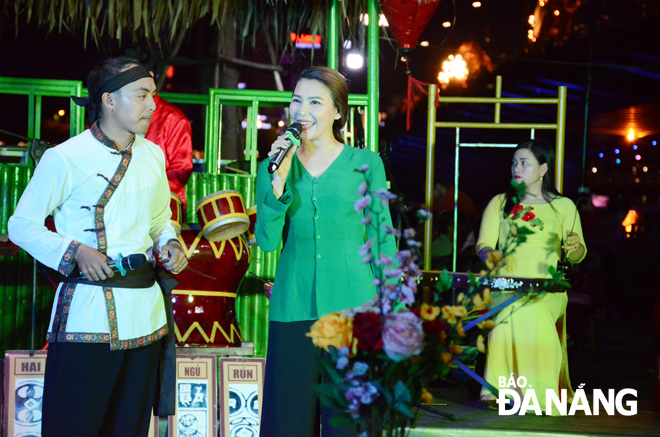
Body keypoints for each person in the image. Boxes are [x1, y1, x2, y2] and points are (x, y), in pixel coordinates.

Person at [8, 57, 188, 436]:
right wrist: (75, 251)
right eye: (141, 96)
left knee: (131, 426)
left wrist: (170, 241)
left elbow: (159, 220)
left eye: (152, 96)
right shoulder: (65, 157)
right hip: (87, 313)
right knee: (76, 423)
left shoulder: (153, 155)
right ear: (108, 100)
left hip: (146, 313)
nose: (152, 106)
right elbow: (21, 225)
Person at [255, 66, 397, 437]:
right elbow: (268, 242)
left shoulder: (366, 164)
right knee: (287, 422)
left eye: (315, 102)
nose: (302, 110)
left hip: (354, 310)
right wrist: (279, 179)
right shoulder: (272, 165)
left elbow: (382, 239)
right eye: (297, 100)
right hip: (293, 308)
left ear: (337, 112)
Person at [475, 139, 586, 415]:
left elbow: (579, 254)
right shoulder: (500, 203)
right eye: (514, 162)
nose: (517, 167)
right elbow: (483, 244)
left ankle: (540, 395)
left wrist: (574, 248)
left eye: (525, 162)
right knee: (508, 310)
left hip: (548, 292)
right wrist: (490, 257)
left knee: (533, 310)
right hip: (508, 286)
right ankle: (499, 391)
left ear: (543, 169)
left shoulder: (564, 206)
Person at [135, 54, 194, 210]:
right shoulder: (117, 114)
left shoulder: (174, 119)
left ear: (151, 78)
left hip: (164, 208)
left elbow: (181, 171)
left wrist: (141, 192)